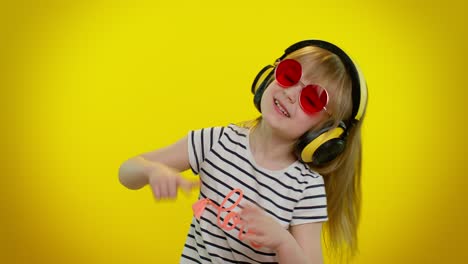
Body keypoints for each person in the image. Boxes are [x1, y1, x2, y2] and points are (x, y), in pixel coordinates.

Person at [119, 40, 368, 264]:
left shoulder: (305, 188)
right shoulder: (215, 141)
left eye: (312, 99)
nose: (291, 94)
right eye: (289, 74)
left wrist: (284, 243)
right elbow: (126, 172)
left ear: (325, 133)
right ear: (271, 75)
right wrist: (150, 170)